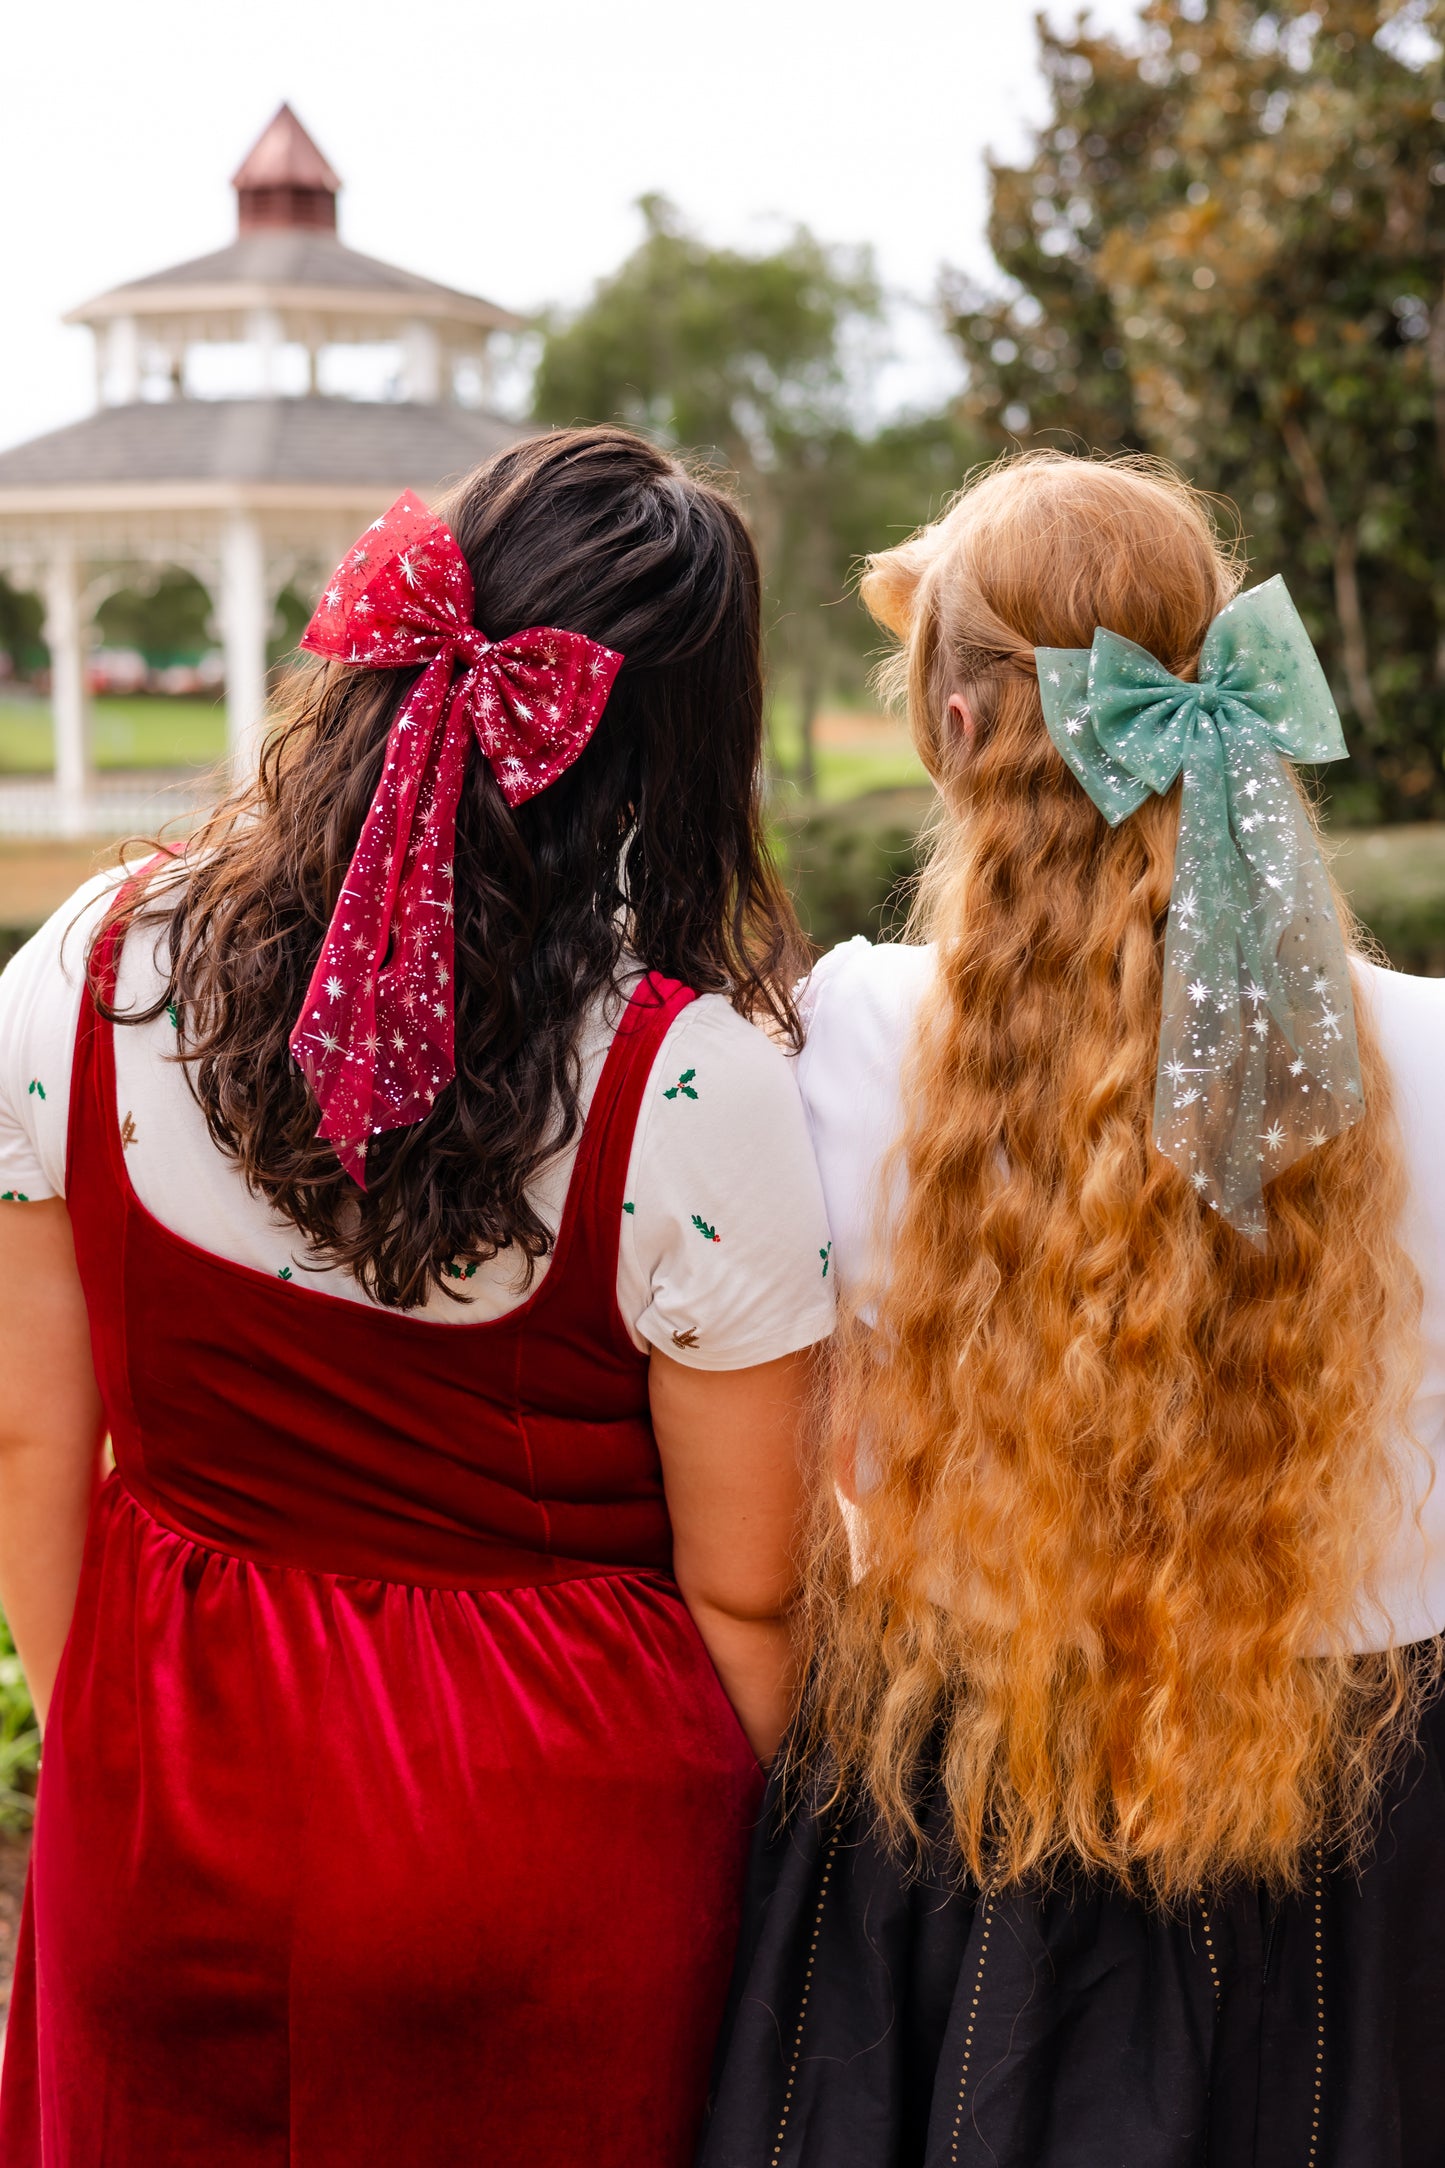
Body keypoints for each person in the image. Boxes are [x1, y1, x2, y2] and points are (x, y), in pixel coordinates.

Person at [0, 426, 835, 2167]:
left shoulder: (89, 958)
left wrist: (122, 1751)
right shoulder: (694, 1088)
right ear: (685, 750)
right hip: (550, 1847)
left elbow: (26, 1431)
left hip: (169, 1778)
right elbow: (748, 1598)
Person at [701, 451, 1445, 2168]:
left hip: (977, 1801)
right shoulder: (1428, 1049)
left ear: (952, 729)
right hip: (1372, 1811)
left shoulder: (849, 1034)